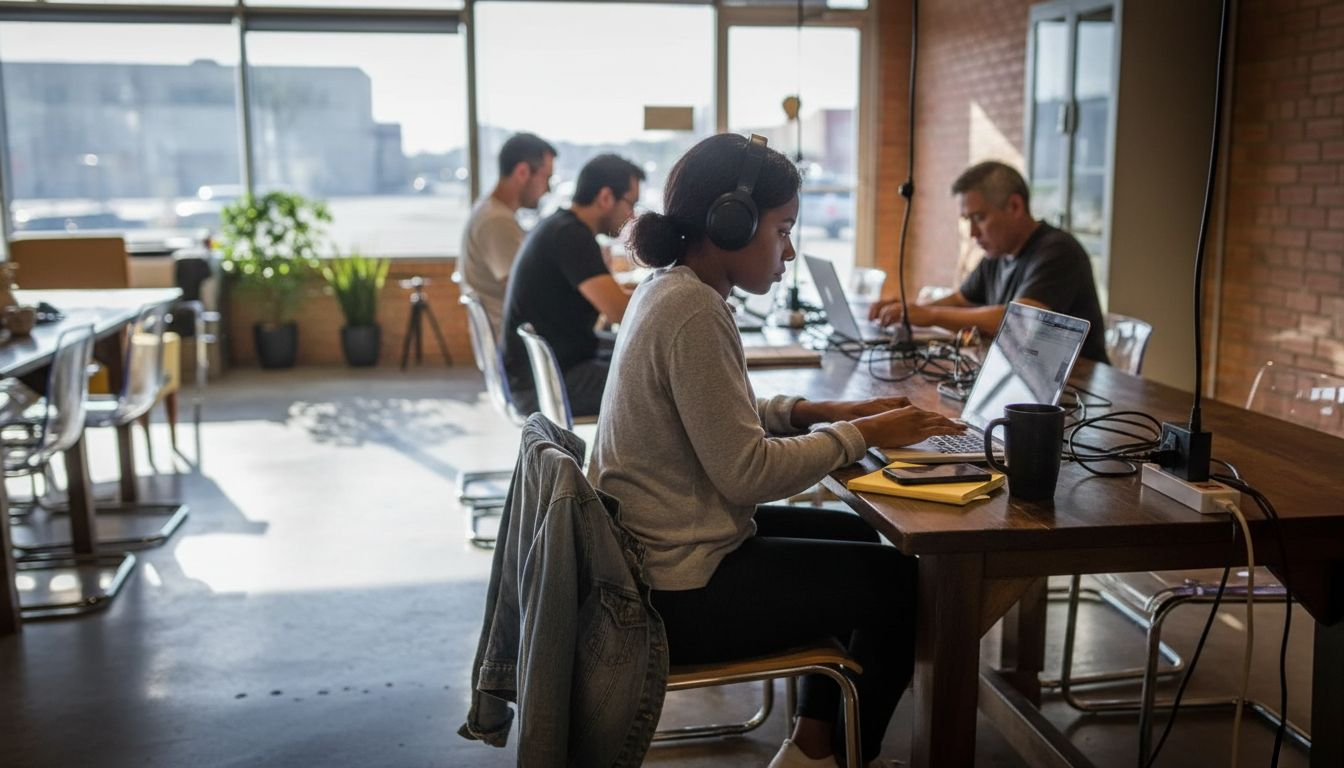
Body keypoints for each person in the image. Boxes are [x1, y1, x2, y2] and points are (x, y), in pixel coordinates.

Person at [588, 133, 965, 768]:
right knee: (903, 587)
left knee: (863, 541)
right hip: (674, 595)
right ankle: (833, 758)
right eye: (784, 229)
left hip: (658, 560)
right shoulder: (693, 312)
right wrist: (864, 435)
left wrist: (822, 412)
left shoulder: (669, 289)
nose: (789, 251)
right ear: (729, 223)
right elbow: (745, 473)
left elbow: (718, 417)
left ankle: (811, 748)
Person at [868, 160, 1109, 363]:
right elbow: (960, 301)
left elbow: (1018, 322)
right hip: (1027, 382)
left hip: (1082, 392)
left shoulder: (1058, 251)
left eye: (979, 218)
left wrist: (929, 314)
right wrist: (907, 311)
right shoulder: (997, 253)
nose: (973, 233)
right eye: (967, 220)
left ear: (1015, 206)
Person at [500, 153, 645, 417]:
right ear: (605, 197)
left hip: (544, 371)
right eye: (630, 204)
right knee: (656, 380)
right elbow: (621, 313)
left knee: (639, 355)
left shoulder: (561, 226)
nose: (632, 215)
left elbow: (616, 302)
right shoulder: (571, 237)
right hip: (544, 385)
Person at [457, 132, 557, 332]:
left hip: (510, 334)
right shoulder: (496, 221)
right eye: (546, 178)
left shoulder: (489, 210)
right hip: (514, 341)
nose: (547, 190)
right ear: (522, 172)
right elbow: (524, 292)